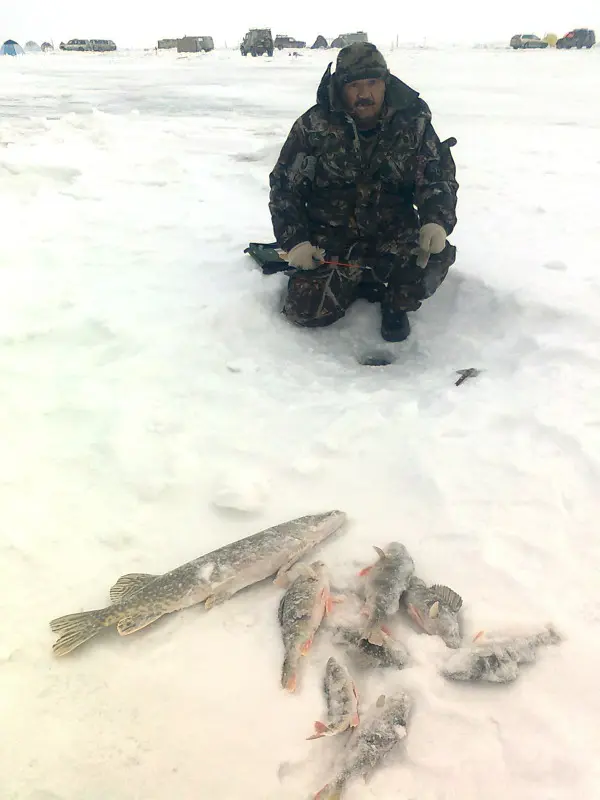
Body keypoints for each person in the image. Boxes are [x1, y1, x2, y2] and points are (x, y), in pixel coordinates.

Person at [268, 43, 458, 342]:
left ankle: (394, 302)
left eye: (372, 83)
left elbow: (437, 177)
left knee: (432, 259)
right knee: (305, 311)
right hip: (331, 238)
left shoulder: (414, 121)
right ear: (340, 89)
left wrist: (436, 220)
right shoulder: (313, 126)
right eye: (354, 85)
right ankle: (355, 279)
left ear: (386, 82)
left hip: (392, 232)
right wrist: (296, 242)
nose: (364, 94)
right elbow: (285, 187)